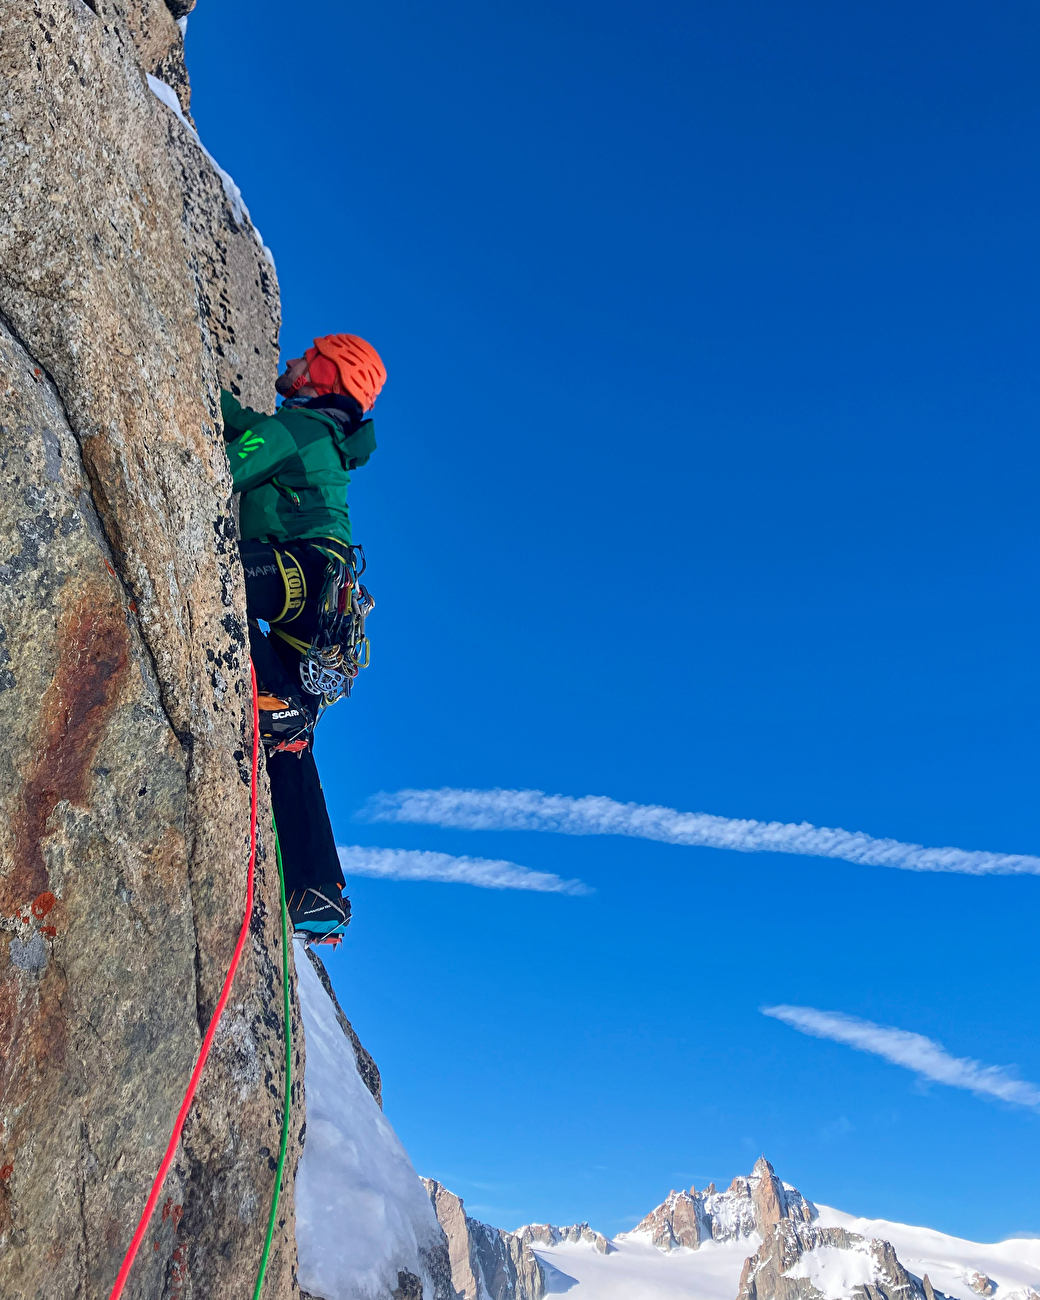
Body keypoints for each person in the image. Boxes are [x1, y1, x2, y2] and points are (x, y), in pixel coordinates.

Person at [221, 333, 386, 943]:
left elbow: (238, 456)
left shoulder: (301, 429)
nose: (291, 360)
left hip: (302, 577)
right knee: (287, 741)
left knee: (221, 575)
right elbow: (247, 424)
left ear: (325, 371)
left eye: (306, 355)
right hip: (326, 610)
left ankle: (282, 701)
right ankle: (318, 890)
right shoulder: (317, 437)